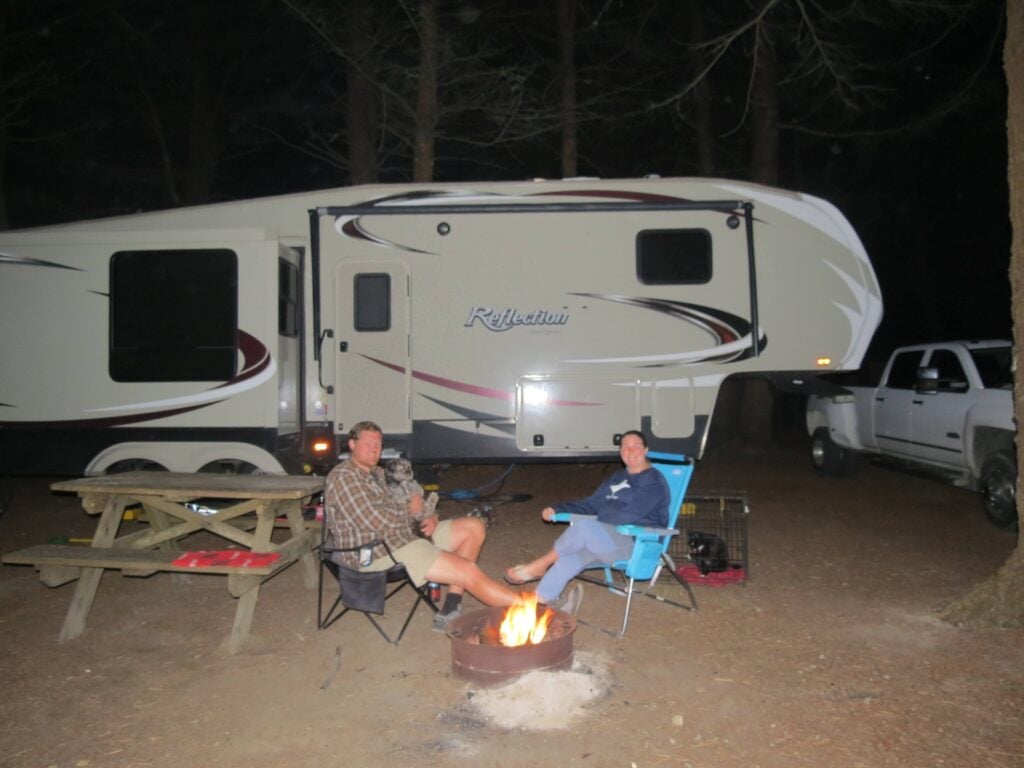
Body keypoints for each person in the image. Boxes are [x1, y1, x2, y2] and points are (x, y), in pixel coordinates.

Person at [324, 420, 519, 631]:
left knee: (474, 527)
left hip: (405, 535)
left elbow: (413, 501)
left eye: (378, 444)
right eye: (368, 443)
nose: (375, 449)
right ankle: (528, 607)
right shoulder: (344, 477)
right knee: (467, 570)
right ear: (352, 444)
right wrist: (411, 510)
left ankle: (451, 606)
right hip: (376, 550)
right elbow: (377, 521)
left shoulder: (378, 474)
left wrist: (431, 516)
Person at [503, 430, 669, 616]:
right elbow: (590, 504)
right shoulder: (617, 477)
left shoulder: (654, 482)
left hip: (635, 543)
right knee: (568, 557)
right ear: (620, 452)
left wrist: (594, 525)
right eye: (625, 446)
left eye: (636, 446)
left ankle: (539, 565)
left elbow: (630, 514)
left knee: (584, 528)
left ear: (646, 450)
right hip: (606, 541)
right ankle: (539, 604)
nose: (630, 451)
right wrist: (559, 508)